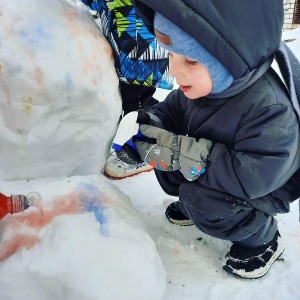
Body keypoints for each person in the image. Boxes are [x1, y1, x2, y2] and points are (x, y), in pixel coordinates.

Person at [124, 0, 300, 279]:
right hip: (214, 168)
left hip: (261, 188)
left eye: (191, 60)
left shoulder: (269, 108)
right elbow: (171, 111)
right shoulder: (203, 85)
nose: (176, 71)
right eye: (171, 56)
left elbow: (252, 177)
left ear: (232, 58)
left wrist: (181, 152)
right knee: (164, 157)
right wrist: (149, 127)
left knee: (199, 195)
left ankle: (261, 239)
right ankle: (197, 206)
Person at [81, 0, 173, 178]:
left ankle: (140, 155)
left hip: (141, 51)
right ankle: (161, 125)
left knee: (136, 105)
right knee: (137, 99)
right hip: (131, 44)